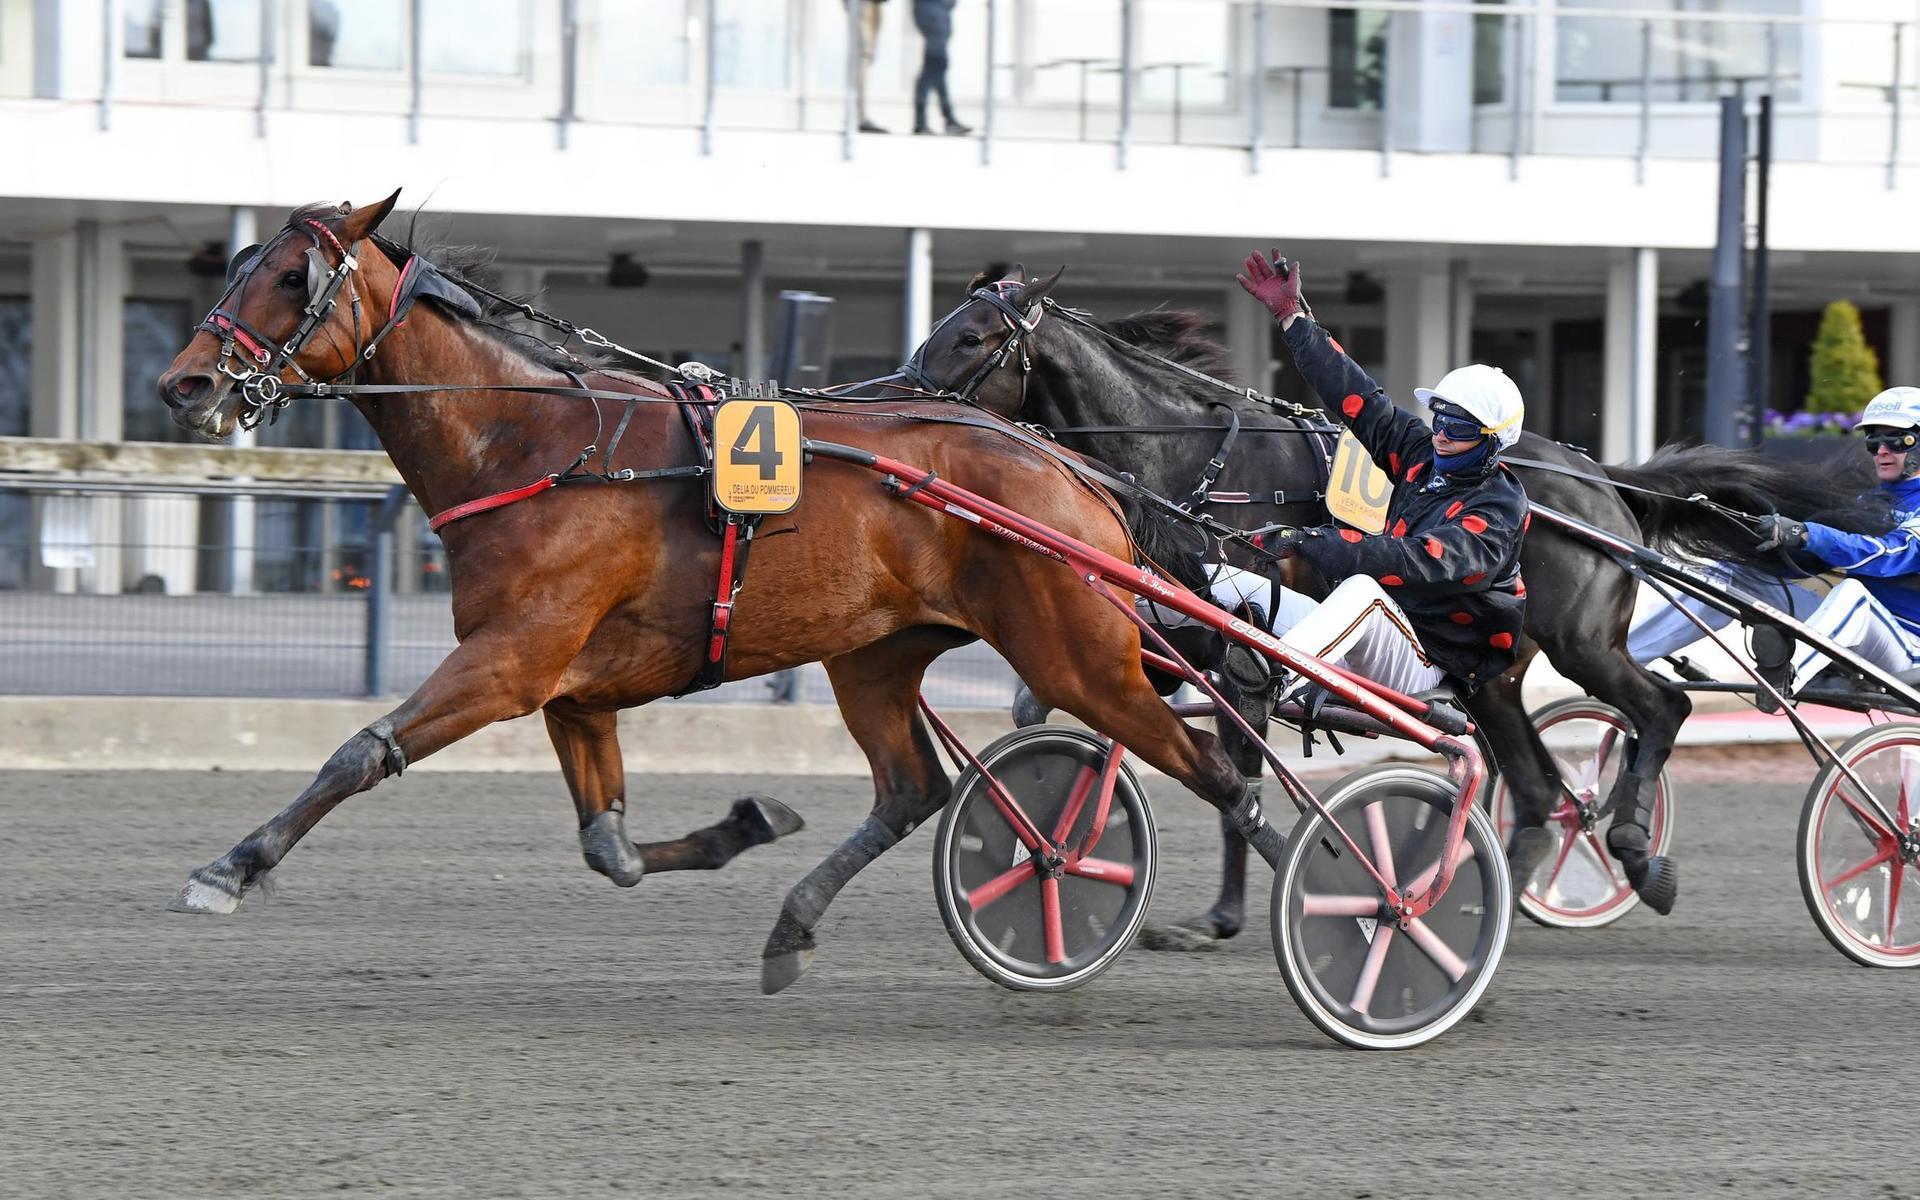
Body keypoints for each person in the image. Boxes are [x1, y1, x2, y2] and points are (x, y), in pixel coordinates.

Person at [1217, 251, 1530, 702]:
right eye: (1438, 417)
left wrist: (1310, 542)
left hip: (1429, 661)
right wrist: (1292, 318)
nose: (1440, 435)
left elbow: (1419, 560)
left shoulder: (1499, 506)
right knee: (1220, 578)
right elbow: (1358, 397)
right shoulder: (1422, 452)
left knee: (1362, 587)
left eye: (1458, 428)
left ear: (1492, 440)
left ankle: (1271, 685)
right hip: (1371, 630)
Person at [1742, 386, 1920, 695]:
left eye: (1896, 440)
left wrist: (1807, 534)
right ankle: (1634, 661)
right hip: (1866, 633)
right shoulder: (1869, 499)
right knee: (1736, 575)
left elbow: (1889, 553)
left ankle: (1790, 676)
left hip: (1911, 650)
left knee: (1854, 594)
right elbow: (1819, 556)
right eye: (1874, 441)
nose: (1881, 451)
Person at [912, 0, 971, 136]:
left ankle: (947, 120)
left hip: (939, 14)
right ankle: (923, 122)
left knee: (937, 69)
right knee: (933, 67)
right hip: (932, 14)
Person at [855, 0, 889, 134]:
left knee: (868, 57)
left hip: (876, 5)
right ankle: (861, 116)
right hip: (861, 5)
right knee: (863, 56)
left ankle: (863, 115)